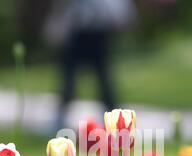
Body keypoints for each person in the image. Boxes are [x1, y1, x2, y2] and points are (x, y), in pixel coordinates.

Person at [45, 0, 136, 130]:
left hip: (99, 33)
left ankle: (116, 120)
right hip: (76, 32)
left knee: (104, 80)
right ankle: (60, 117)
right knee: (68, 78)